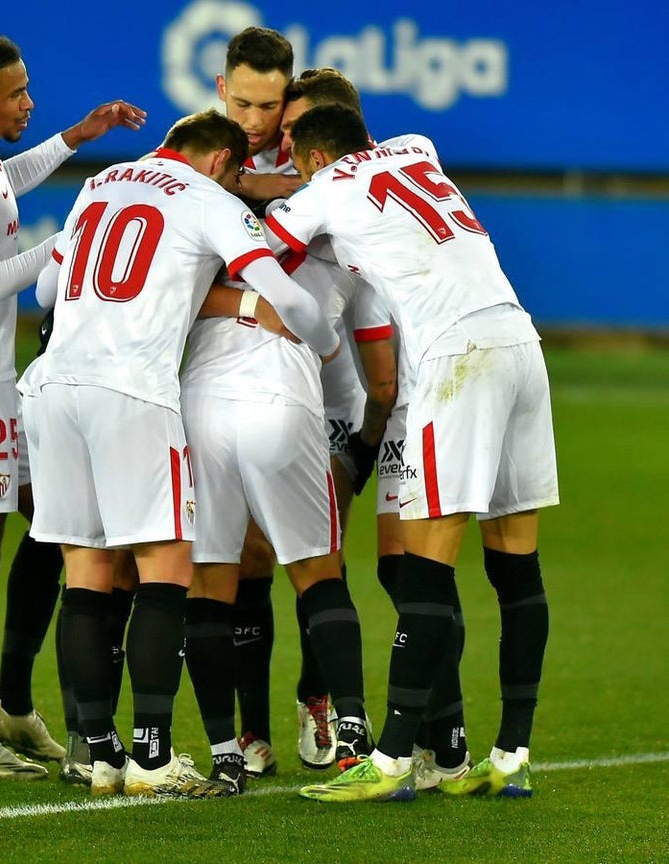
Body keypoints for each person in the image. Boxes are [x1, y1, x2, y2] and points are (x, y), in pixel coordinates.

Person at [21, 108, 339, 798]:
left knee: (84, 569)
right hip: (132, 391)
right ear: (222, 161)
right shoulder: (205, 198)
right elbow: (282, 290)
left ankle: (93, 750)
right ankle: (154, 755)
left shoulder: (101, 183)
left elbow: (44, 290)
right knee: (166, 568)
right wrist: (312, 333)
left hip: (50, 387)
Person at [270, 104, 558, 802]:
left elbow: (273, 233)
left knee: (425, 561)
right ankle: (512, 752)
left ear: (309, 158)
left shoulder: (322, 190)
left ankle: (393, 757)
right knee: (516, 565)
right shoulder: (415, 147)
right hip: (520, 341)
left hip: (454, 357)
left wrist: (269, 186)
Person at [0, 32, 147, 780]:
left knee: (57, 517)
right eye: (17, 94)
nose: (29, 102)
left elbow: (2, 181)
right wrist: (75, 237)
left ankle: (10, 701)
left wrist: (75, 138)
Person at [211, 34, 399, 777]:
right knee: (251, 556)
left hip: (334, 390)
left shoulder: (346, 181)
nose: (267, 126)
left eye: (278, 113)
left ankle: (317, 698)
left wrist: (366, 428)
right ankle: (252, 730)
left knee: (316, 555)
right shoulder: (222, 160)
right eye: (252, 108)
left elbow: (366, 309)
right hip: (250, 382)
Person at [278, 67, 469, 789]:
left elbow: (377, 355)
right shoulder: (409, 156)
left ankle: (413, 742)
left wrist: (362, 440)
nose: (285, 142)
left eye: (296, 131)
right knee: (392, 568)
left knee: (393, 567)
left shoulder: (333, 197)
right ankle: (440, 744)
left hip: (398, 397)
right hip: (397, 390)